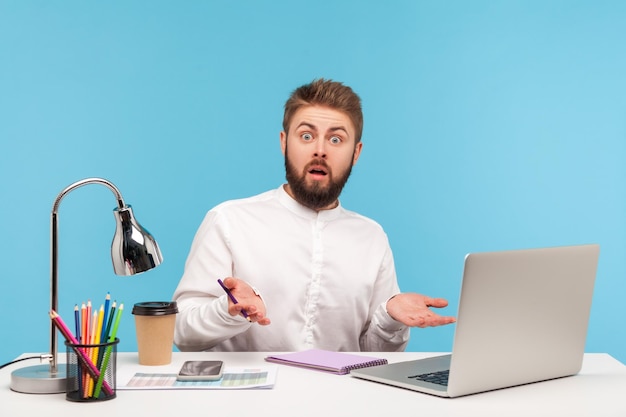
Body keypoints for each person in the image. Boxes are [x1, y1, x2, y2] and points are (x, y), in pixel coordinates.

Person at [172, 78, 456, 352]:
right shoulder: (228, 221)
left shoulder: (371, 237)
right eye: (306, 136)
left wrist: (391, 319)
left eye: (336, 139)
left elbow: (373, 354)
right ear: (284, 142)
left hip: (340, 397)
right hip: (249, 398)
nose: (320, 150)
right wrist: (228, 309)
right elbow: (181, 331)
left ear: (356, 153)